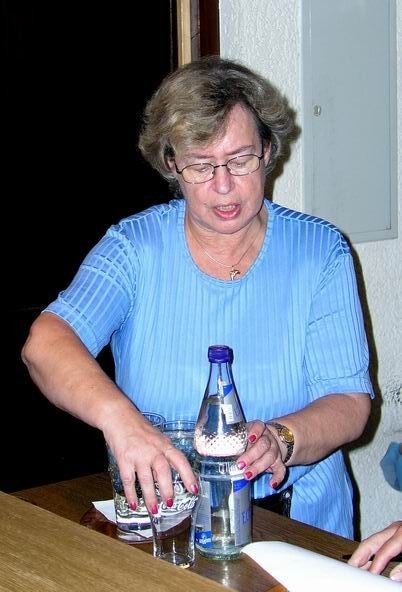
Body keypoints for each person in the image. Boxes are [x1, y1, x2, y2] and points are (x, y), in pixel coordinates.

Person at [21, 56, 373, 537]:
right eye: (200, 166)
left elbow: (349, 400)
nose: (223, 186)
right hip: (168, 523)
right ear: (172, 163)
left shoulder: (320, 251)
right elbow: (45, 344)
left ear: (268, 150)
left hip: (296, 525)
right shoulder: (135, 248)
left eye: (240, 160)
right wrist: (122, 421)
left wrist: (282, 438)